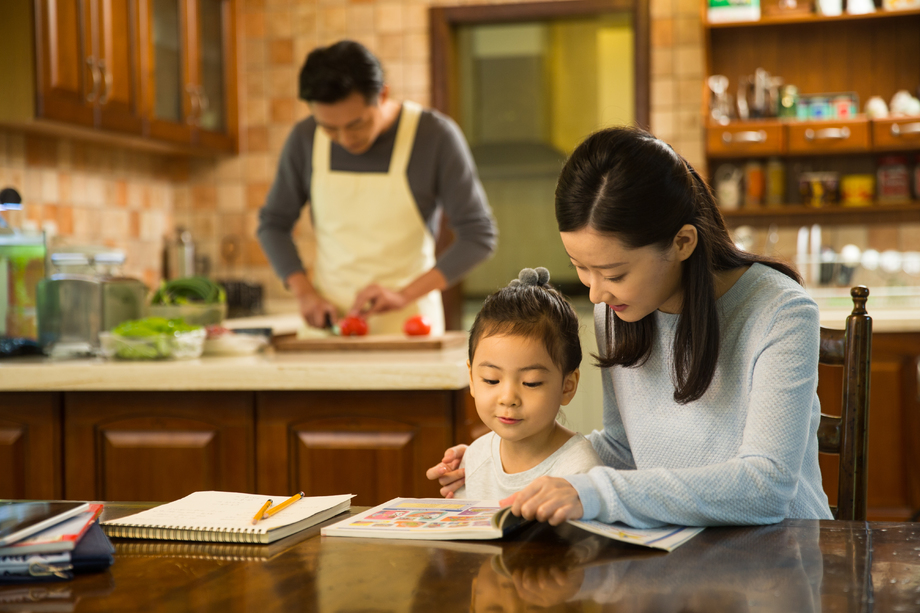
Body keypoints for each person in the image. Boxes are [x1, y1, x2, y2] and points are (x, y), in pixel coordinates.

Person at [428, 126, 834, 527]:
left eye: (614, 273)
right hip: (673, 552)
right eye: (581, 269)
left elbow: (767, 487)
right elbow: (623, 448)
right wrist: (508, 459)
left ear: (682, 243)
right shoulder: (618, 309)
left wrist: (593, 493)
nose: (596, 294)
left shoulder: (780, 312)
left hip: (778, 556)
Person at [258, 40, 497, 334]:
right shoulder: (304, 138)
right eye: (329, 128)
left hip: (410, 327)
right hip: (330, 329)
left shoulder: (434, 136)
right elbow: (272, 224)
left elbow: (478, 236)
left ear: (382, 94)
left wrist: (403, 295)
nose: (345, 139)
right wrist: (305, 293)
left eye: (356, 124)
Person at [456, 267, 602, 501]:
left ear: (567, 386)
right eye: (491, 380)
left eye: (531, 383)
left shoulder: (579, 470)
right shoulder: (474, 457)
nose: (508, 398)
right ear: (472, 379)